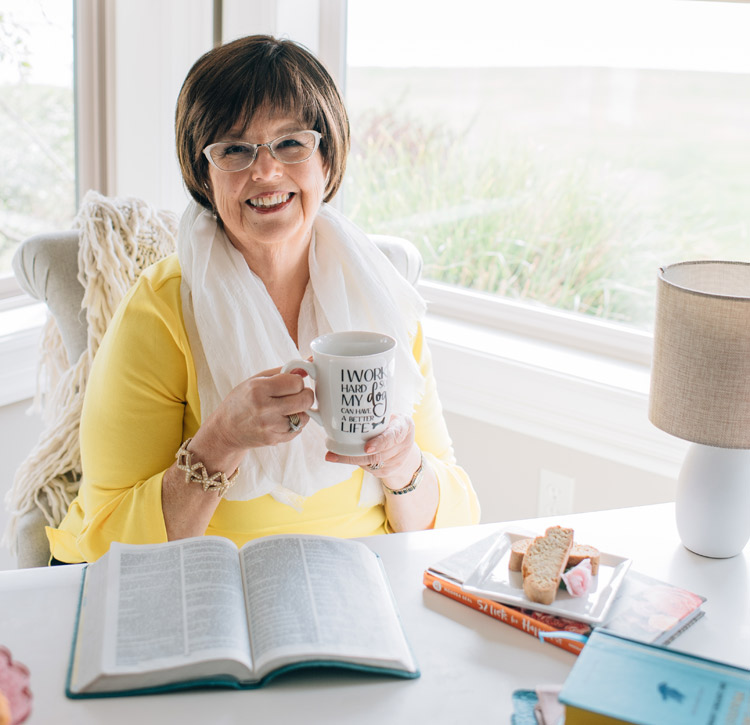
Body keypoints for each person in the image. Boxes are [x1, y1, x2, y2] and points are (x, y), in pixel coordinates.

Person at [47, 35, 480, 564]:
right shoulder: (161, 309)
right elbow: (106, 537)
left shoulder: (379, 297)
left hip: (363, 582)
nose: (266, 171)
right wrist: (222, 440)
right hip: (211, 584)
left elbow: (453, 520)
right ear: (203, 174)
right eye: (234, 149)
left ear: (328, 158)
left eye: (292, 143)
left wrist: (403, 463)